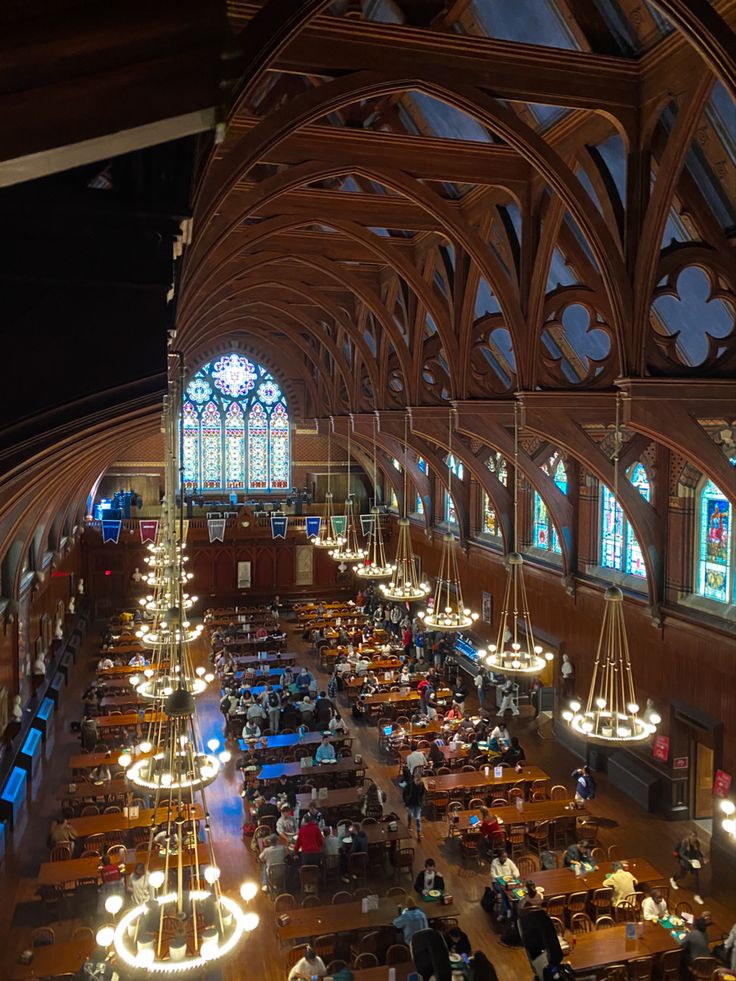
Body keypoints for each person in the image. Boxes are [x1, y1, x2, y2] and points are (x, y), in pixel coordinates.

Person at [671, 831, 706, 904]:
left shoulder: (697, 843)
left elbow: (698, 851)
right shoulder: (685, 843)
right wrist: (688, 860)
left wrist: (702, 858)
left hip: (694, 863)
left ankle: (697, 895)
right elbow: (681, 853)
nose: (694, 838)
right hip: (686, 863)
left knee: (696, 878)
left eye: (695, 836)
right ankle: (673, 879)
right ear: (689, 836)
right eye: (693, 836)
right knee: (682, 875)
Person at [490, 850, 520, 920]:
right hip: (497, 882)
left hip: (508, 881)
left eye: (506, 857)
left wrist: (514, 875)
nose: (505, 858)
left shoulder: (509, 861)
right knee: (504, 891)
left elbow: (516, 870)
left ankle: (503, 913)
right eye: (503, 857)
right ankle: (508, 909)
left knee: (506, 891)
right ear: (499, 857)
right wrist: (500, 879)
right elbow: (493, 874)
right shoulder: (494, 862)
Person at [403, 770, 426, 840]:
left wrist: (421, 802)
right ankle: (409, 825)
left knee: (418, 818)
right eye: (417, 780)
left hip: (417, 803)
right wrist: (406, 803)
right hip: (410, 802)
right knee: (410, 814)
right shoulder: (410, 785)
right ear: (414, 779)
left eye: (419, 780)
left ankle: (419, 833)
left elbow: (422, 794)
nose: (418, 782)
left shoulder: (422, 785)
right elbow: (404, 794)